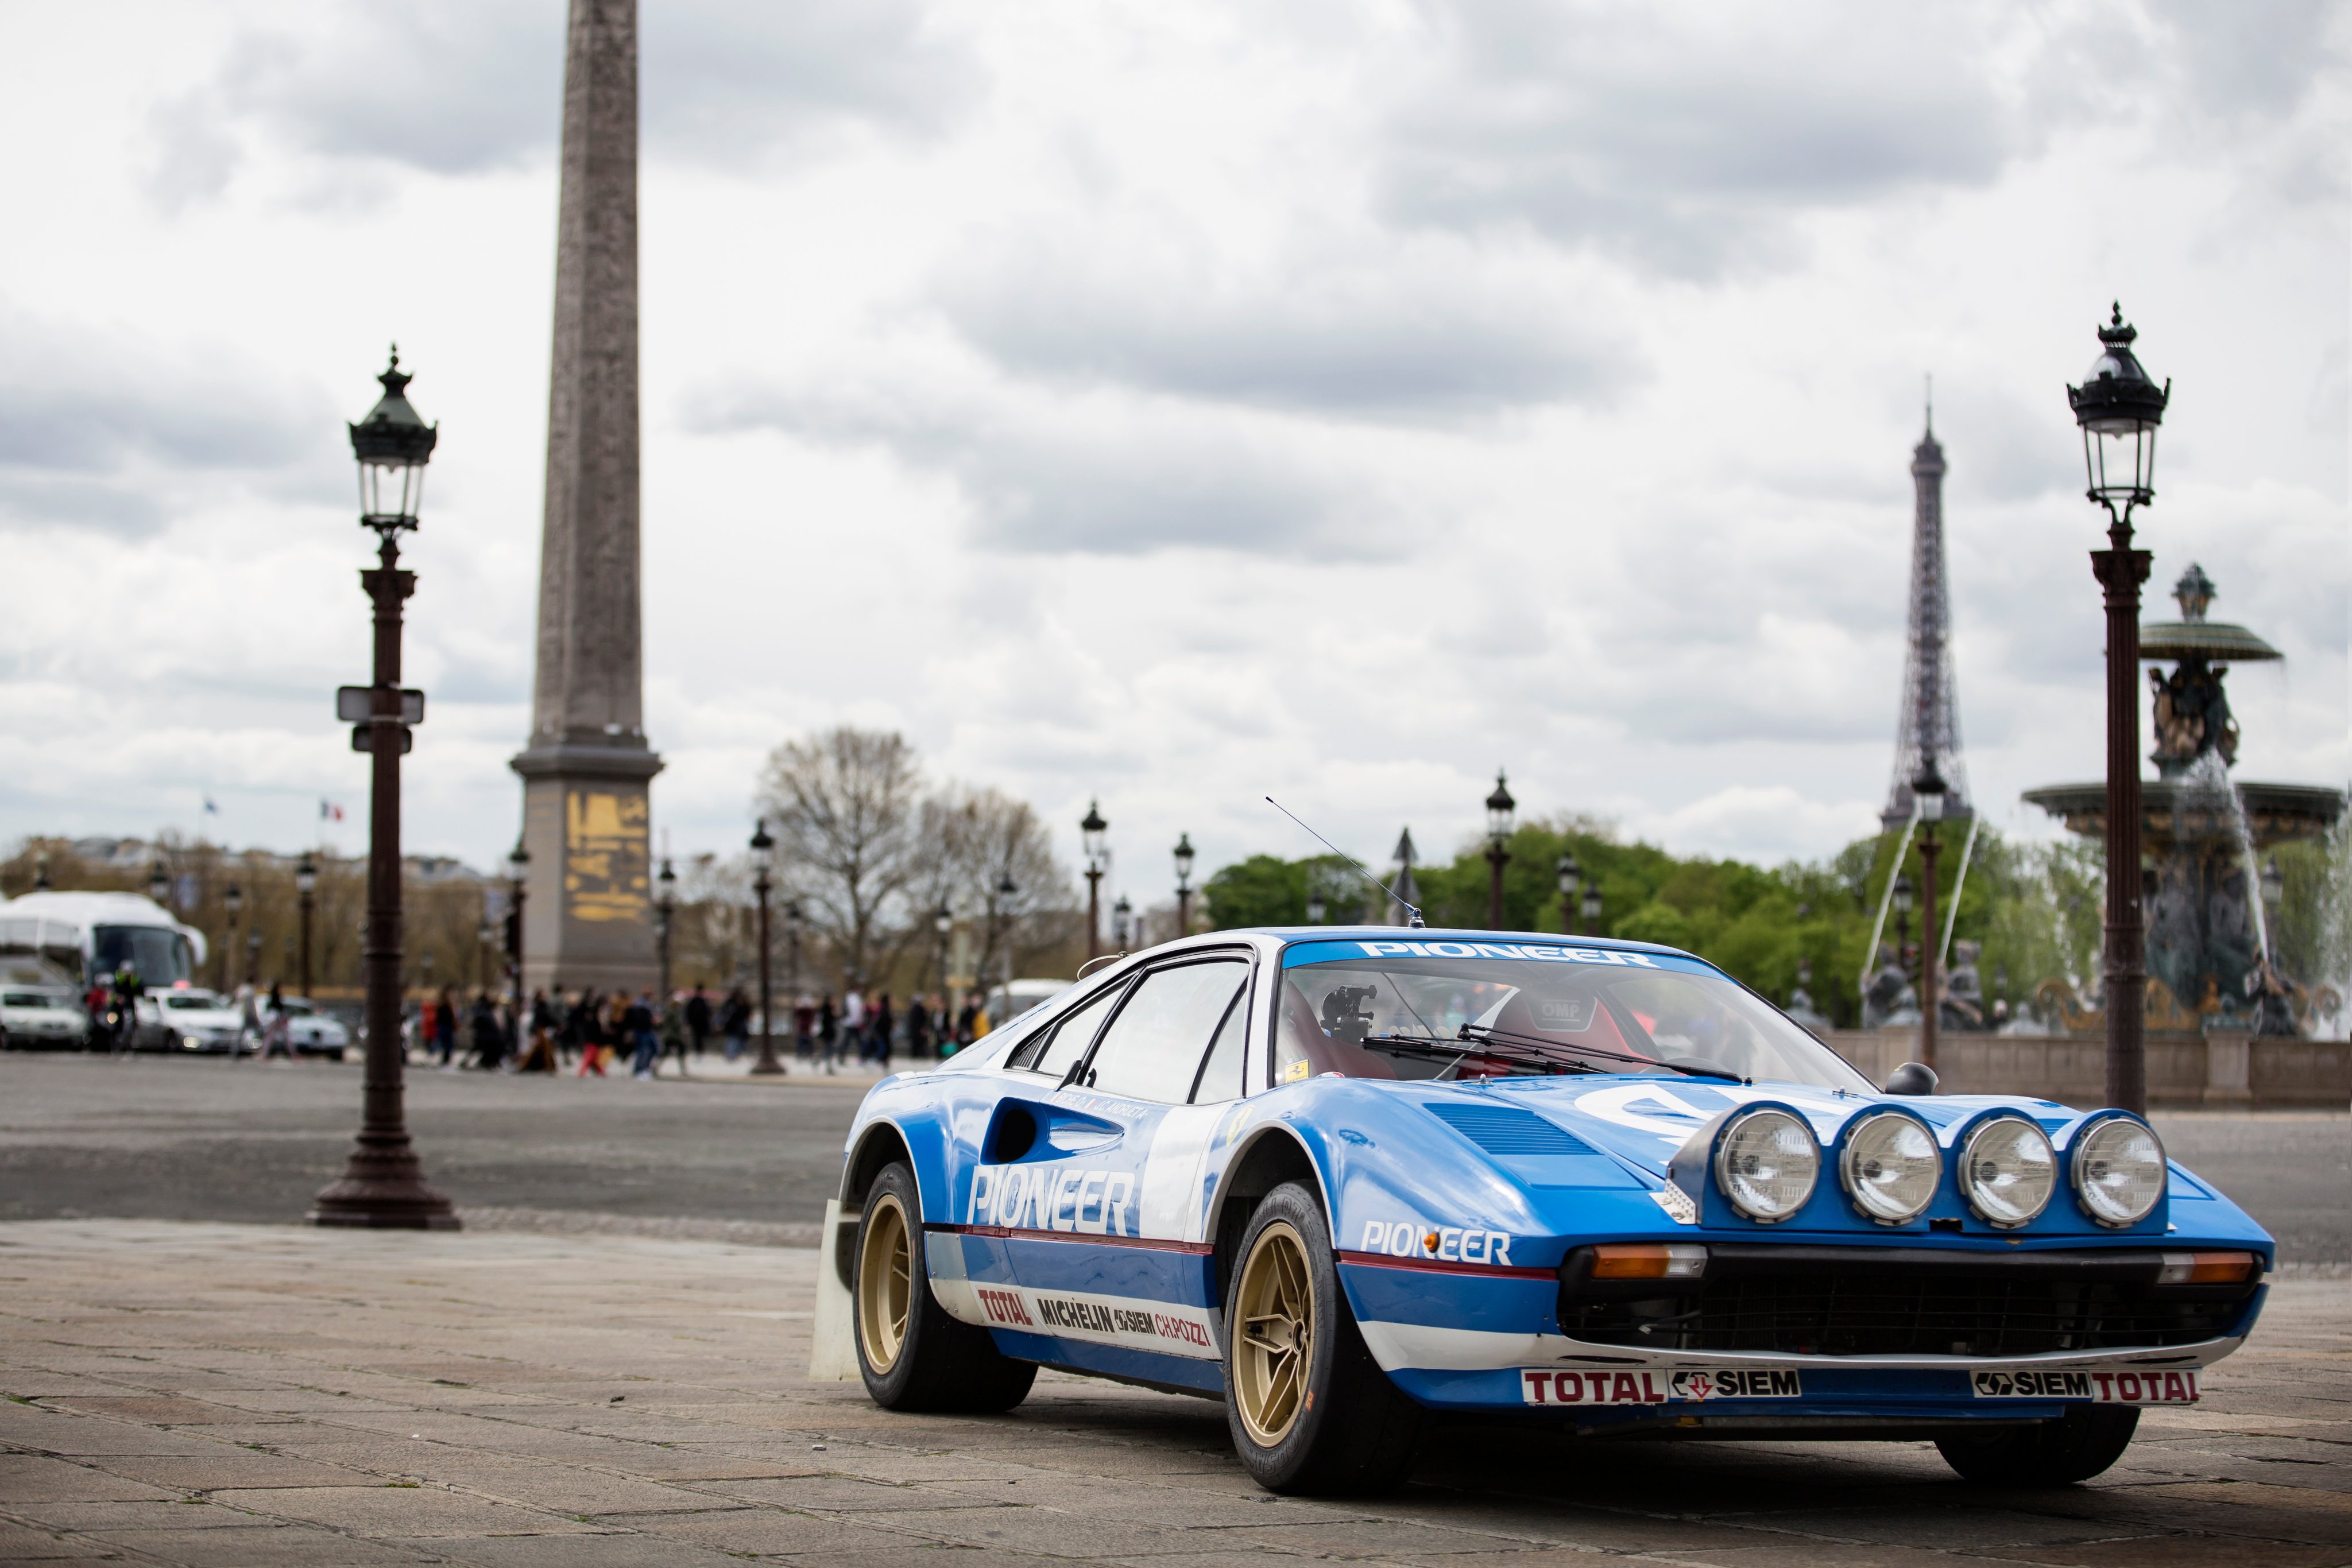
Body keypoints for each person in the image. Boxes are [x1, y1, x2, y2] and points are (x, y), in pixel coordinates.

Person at [260, 981, 295, 1062]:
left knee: (270, 1037)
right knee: (285, 1037)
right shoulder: (276, 996)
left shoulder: (273, 996)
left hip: (274, 1018)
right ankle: (293, 1054)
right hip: (277, 1019)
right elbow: (278, 1008)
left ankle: (264, 1054)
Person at [625, 990, 657, 1078]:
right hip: (643, 1031)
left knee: (651, 1050)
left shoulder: (644, 1005)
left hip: (646, 1031)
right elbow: (641, 1020)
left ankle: (643, 1068)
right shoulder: (642, 1006)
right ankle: (640, 1070)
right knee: (643, 1051)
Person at [659, 995, 690, 1078]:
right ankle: (683, 1070)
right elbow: (676, 1024)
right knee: (678, 1052)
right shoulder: (672, 1012)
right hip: (673, 1036)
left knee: (667, 1053)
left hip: (673, 1036)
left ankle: (656, 1068)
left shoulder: (673, 1011)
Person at [718, 987, 749, 1062]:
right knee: (733, 1040)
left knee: (739, 1041)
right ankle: (731, 1056)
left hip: (740, 1026)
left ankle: (735, 1055)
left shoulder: (743, 1004)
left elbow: (746, 1012)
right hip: (733, 1025)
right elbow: (726, 1015)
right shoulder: (732, 1004)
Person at [434, 987, 459, 1068]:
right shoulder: (447, 1005)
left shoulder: (442, 1004)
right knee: (445, 1043)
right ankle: (441, 1058)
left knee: (444, 1043)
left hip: (444, 1026)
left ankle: (444, 1059)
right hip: (446, 1026)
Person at [685, 986, 711, 1060]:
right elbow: (689, 1012)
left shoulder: (703, 1001)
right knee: (697, 1038)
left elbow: (708, 1012)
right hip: (696, 1023)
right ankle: (698, 1052)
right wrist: (689, 1022)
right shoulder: (694, 1001)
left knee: (701, 1038)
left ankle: (700, 1051)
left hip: (702, 1023)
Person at [817, 994, 838, 1074]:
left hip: (829, 1033)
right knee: (828, 1050)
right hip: (828, 1033)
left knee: (829, 1050)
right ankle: (827, 1066)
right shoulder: (826, 1010)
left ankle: (823, 1063)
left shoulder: (829, 1009)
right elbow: (826, 1022)